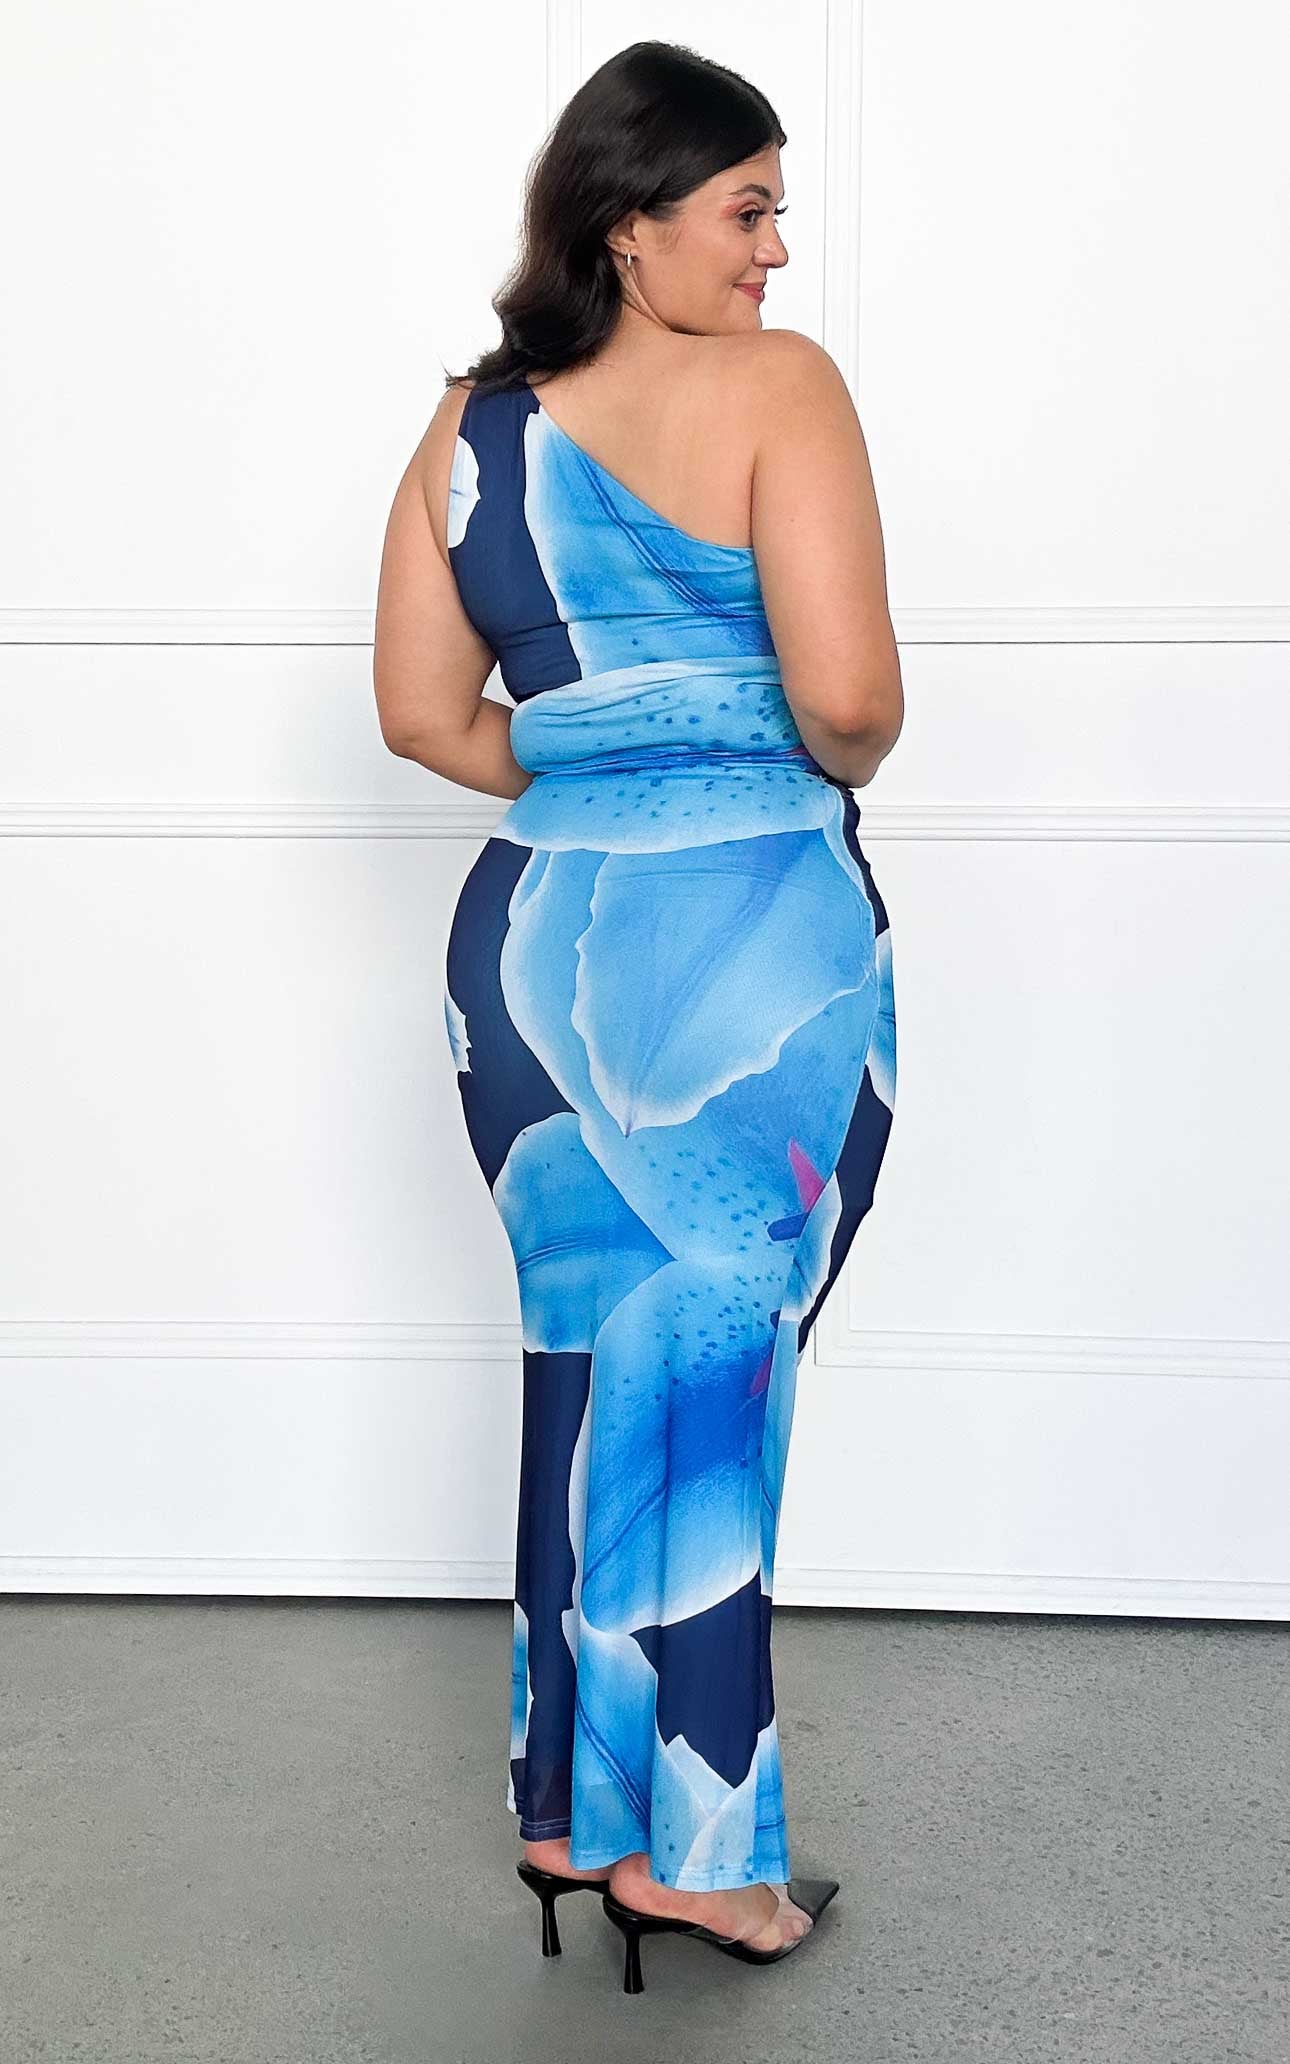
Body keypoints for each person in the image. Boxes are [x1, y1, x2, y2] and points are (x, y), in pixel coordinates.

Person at [373, 39, 902, 1991]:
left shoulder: (470, 429)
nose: (775, 253)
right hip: (748, 933)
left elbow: (420, 716)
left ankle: (570, 1814)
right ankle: (703, 1857)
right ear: (631, 224)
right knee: (715, 1395)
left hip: (527, 947)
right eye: (747, 210)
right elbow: (847, 699)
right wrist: (742, 748)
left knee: (585, 1364)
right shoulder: (782, 389)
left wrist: (599, 759)